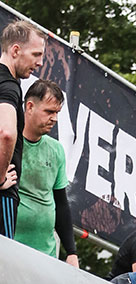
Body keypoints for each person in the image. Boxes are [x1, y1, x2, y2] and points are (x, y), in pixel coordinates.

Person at [14, 80, 78, 266]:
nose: (55, 118)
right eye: (49, 112)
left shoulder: (56, 149)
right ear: (30, 107)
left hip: (46, 255)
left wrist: (71, 251)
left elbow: (61, 203)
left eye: (57, 113)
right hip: (10, 248)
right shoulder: (8, 139)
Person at [0, 21, 46, 238]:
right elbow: (6, 133)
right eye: (36, 54)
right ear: (16, 50)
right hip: (3, 196)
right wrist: (0, 178)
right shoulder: (8, 85)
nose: (40, 62)